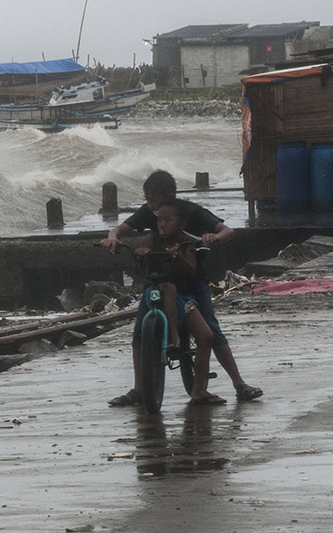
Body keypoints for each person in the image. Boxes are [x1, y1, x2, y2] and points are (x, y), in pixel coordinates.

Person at [102, 170, 263, 406]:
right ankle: (139, 389)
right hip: (160, 278)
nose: (153, 210)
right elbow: (119, 230)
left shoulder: (190, 213)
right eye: (148, 203)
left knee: (211, 329)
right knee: (139, 333)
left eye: (154, 201)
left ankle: (239, 384)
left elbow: (227, 231)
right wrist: (114, 238)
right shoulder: (150, 214)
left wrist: (212, 238)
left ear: (170, 197)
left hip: (191, 280)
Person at [134, 199, 217, 404]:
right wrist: (141, 256)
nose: (162, 224)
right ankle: (172, 338)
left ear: (181, 224)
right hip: (155, 294)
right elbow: (139, 269)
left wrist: (177, 258)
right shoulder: (151, 239)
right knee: (163, 291)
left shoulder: (186, 243)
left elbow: (191, 270)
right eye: (159, 220)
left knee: (206, 336)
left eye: (168, 220)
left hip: (182, 298)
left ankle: (198, 389)